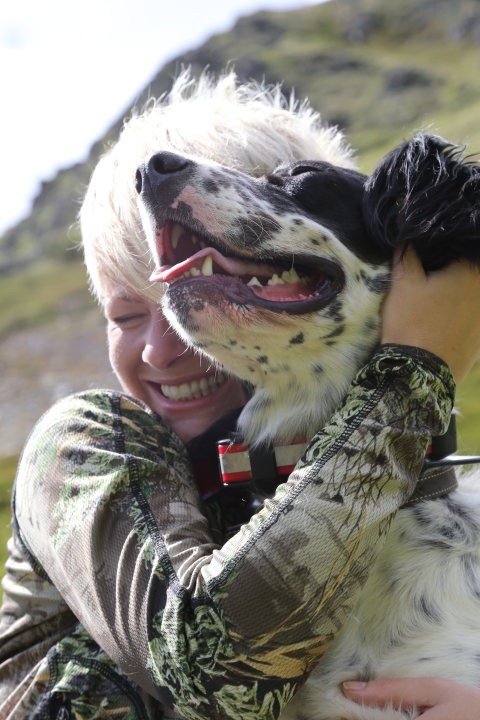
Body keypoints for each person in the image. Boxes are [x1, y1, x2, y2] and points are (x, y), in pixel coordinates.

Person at [1, 72, 480, 720]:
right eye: (124, 316)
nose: (159, 351)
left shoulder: (435, 500)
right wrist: (415, 372)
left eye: (209, 285)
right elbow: (214, 670)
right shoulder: (87, 446)